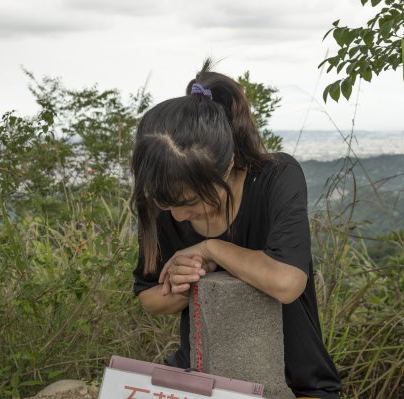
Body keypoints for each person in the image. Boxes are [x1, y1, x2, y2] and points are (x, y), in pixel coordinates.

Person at [131, 60, 341, 399]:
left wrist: (211, 249)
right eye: (169, 205)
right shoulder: (163, 199)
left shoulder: (275, 178)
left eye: (191, 201)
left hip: (294, 380)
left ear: (227, 164)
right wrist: (188, 282)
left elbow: (287, 283)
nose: (180, 217)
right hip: (202, 378)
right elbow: (150, 298)